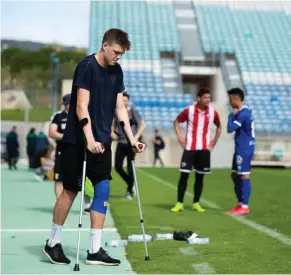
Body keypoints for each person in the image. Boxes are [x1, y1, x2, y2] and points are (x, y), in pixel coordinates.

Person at [42, 28, 145, 266]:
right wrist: (88, 138)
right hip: (77, 143)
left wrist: (131, 139)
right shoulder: (87, 66)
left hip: (103, 143)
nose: (119, 57)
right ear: (105, 45)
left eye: (122, 53)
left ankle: (94, 250)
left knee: (103, 189)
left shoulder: (117, 70)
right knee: (70, 191)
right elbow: (81, 106)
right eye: (117, 52)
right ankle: (52, 244)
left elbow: (120, 108)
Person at [171, 88, 222, 213]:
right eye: (205, 98)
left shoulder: (212, 112)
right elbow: (177, 121)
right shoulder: (189, 110)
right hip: (189, 148)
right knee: (184, 175)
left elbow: (219, 125)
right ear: (198, 98)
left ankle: (196, 203)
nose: (207, 100)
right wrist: (179, 136)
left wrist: (214, 140)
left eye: (209, 98)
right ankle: (179, 203)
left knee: (200, 177)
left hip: (204, 149)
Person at [112, 92, 146, 200]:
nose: (124, 102)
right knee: (117, 167)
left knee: (130, 168)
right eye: (123, 100)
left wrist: (135, 138)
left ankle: (130, 191)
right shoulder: (116, 112)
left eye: (126, 100)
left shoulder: (133, 111)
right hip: (121, 143)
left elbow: (142, 124)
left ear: (128, 101)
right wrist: (112, 134)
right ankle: (131, 183)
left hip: (131, 144)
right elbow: (113, 125)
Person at [227, 88, 255, 215]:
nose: (230, 102)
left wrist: (231, 116)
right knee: (234, 174)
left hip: (245, 148)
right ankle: (240, 204)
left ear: (236, 99)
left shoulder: (243, 113)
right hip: (239, 147)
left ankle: (244, 206)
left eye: (230, 99)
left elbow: (230, 128)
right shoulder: (243, 111)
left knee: (244, 175)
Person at [48, 93, 70, 199]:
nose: (67, 106)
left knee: (82, 179)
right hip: (62, 151)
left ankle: (87, 204)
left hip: (77, 151)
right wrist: (67, 137)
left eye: (69, 103)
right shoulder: (58, 117)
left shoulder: (79, 115)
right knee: (59, 179)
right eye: (65, 104)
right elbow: (52, 133)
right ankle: (60, 203)